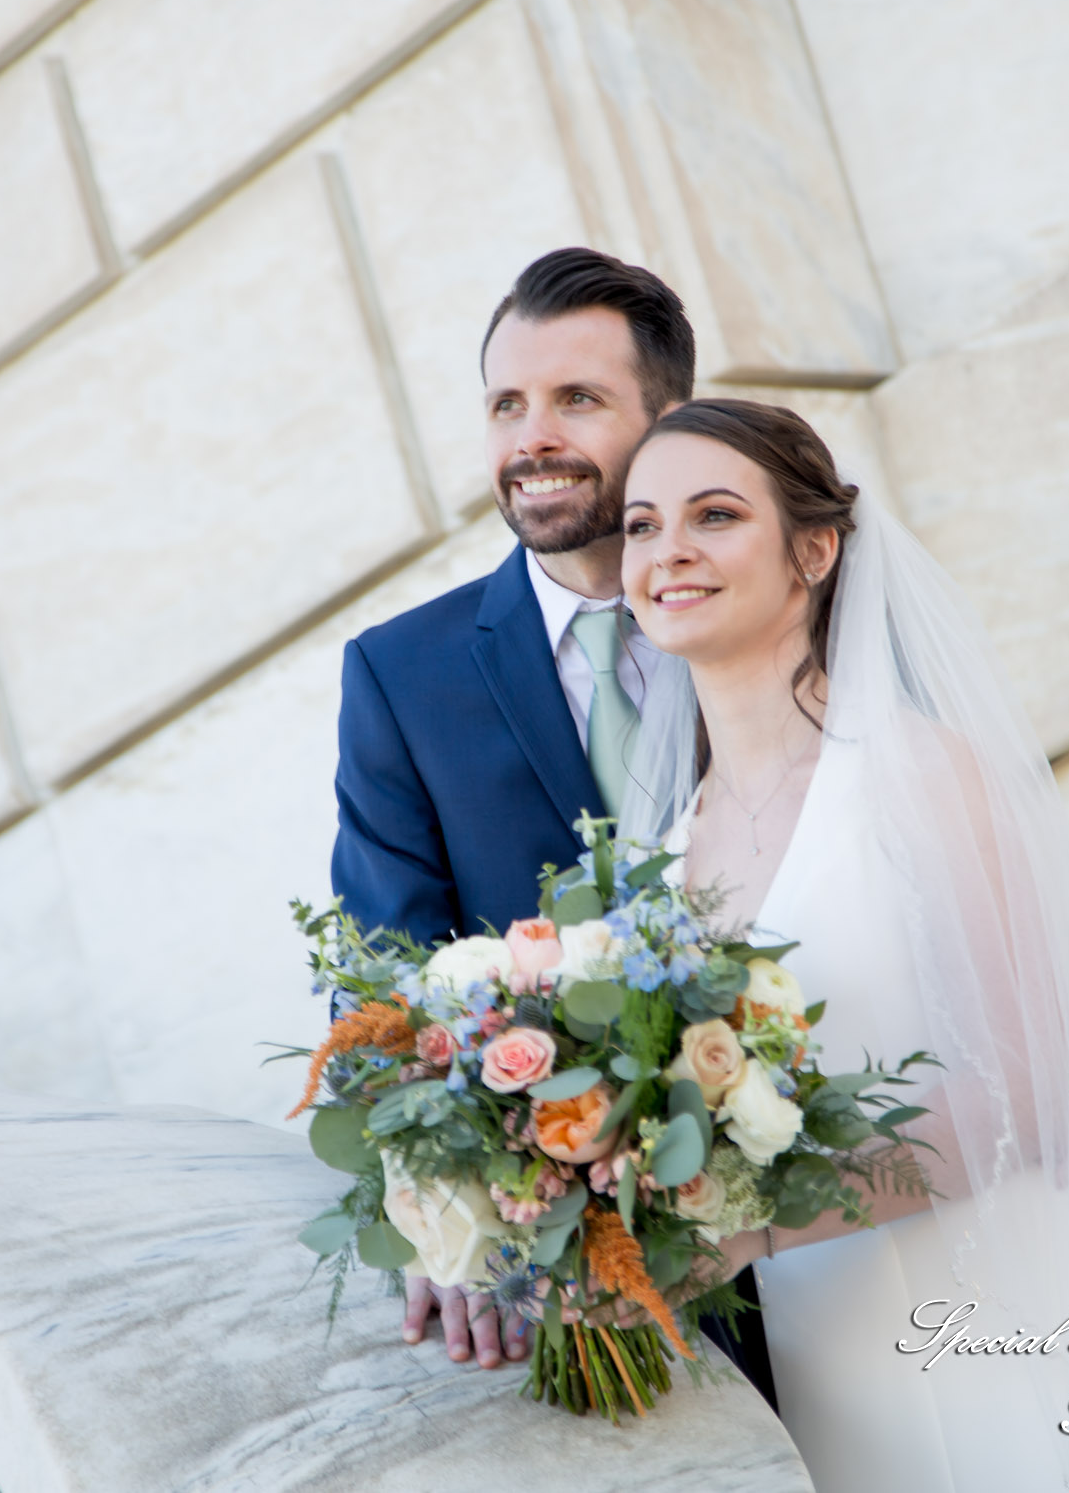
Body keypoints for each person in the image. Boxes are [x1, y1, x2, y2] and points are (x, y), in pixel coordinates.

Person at [619, 399, 1069, 1491]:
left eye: (712, 516)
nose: (667, 550)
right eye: (639, 524)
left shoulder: (913, 774)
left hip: (1004, 1310)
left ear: (814, 549)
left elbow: (1023, 1093)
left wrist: (746, 1235)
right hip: (832, 1347)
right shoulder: (667, 846)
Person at [329, 249, 777, 1403]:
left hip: (819, 1212)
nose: (532, 436)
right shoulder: (400, 674)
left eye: (575, 398)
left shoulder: (780, 619)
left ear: (668, 420)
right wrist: (445, 1213)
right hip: (572, 1268)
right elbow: (380, 971)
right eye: (505, 404)